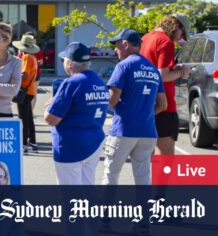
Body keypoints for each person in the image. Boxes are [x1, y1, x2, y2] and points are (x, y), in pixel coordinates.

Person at [102, 29, 167, 186]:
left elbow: (112, 100)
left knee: (111, 174)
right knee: (143, 177)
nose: (115, 50)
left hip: (123, 130)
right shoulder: (153, 69)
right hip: (148, 131)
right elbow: (163, 104)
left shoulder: (123, 66)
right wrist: (145, 113)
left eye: (117, 46)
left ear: (125, 44)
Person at [44, 42, 109, 185]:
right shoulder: (99, 82)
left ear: (70, 63)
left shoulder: (72, 82)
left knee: (71, 196)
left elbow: (51, 118)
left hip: (70, 145)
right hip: (93, 142)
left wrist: (49, 106)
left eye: (64, 60)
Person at [140, 14, 191, 155]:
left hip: (146, 102)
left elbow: (151, 68)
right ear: (176, 26)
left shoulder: (146, 38)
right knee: (166, 160)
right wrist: (182, 72)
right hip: (164, 106)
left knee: (145, 158)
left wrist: (174, 67)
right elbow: (162, 76)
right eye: (182, 33)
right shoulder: (166, 42)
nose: (180, 38)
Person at [12, 35, 39, 154]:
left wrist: (13, 77)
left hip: (24, 90)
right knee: (28, 118)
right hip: (30, 90)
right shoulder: (32, 56)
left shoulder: (27, 57)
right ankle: (32, 141)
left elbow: (24, 75)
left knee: (23, 118)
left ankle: (23, 144)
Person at [17, 32, 44, 111]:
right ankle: (30, 111)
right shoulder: (22, 50)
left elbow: (41, 62)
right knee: (31, 93)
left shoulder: (35, 51)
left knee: (30, 93)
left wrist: (32, 64)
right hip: (33, 73)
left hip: (33, 74)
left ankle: (30, 111)